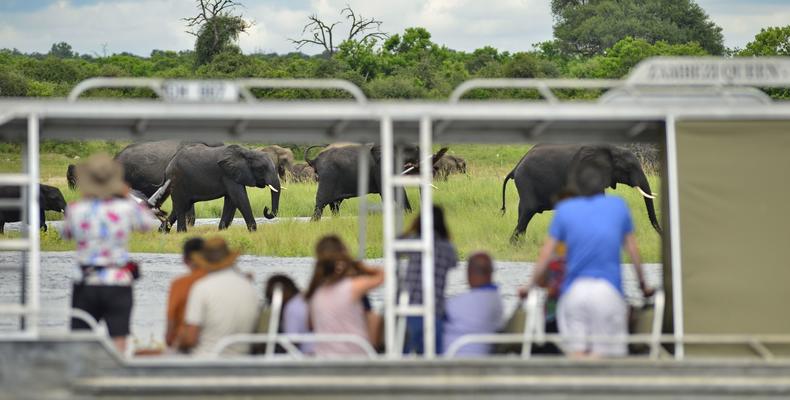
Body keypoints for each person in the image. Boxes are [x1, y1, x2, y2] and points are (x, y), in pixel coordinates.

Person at [518, 161, 654, 359]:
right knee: (607, 356)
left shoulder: (565, 209)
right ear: (605, 185)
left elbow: (546, 255)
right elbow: (633, 251)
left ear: (577, 186)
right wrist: (643, 285)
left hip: (574, 293)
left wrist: (527, 287)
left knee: (576, 354)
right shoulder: (617, 206)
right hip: (608, 292)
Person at [62, 153, 159, 354]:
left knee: (80, 338)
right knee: (119, 337)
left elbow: (67, 234)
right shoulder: (125, 208)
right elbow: (148, 224)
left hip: (86, 280)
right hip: (118, 280)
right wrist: (126, 194)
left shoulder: (76, 209)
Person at [179, 237, 259, 356]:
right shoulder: (249, 287)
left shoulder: (201, 288)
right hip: (242, 361)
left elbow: (191, 339)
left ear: (204, 261)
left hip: (206, 361)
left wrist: (178, 341)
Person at [305, 235, 384, 356]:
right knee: (374, 317)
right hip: (354, 355)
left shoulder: (315, 293)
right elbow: (381, 275)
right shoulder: (352, 287)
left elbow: (310, 325)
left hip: (324, 357)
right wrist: (360, 265)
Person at [402, 205, 458, 354]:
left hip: (411, 309)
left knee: (403, 358)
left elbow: (396, 246)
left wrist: (412, 228)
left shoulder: (414, 241)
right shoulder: (448, 248)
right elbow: (453, 263)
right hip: (435, 310)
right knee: (434, 359)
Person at [442, 252, 503, 356]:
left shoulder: (473, 302)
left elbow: (437, 311)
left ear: (469, 273)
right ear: (491, 273)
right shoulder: (495, 298)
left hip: (457, 360)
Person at [164, 237, 206, 351]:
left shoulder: (179, 284)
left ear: (184, 259)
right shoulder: (217, 281)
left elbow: (169, 336)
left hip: (186, 348)